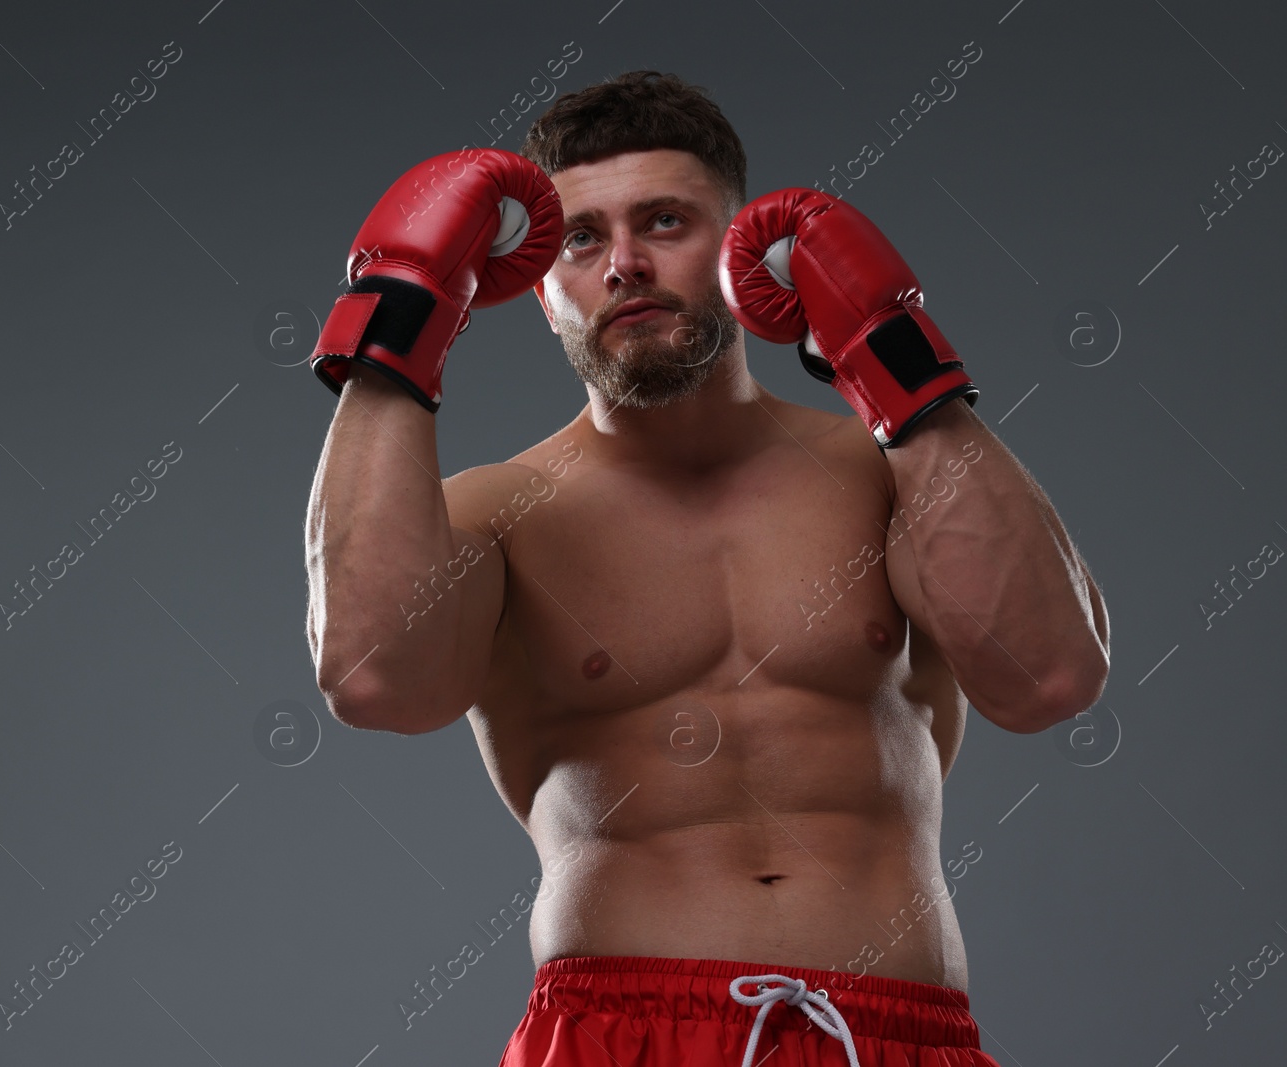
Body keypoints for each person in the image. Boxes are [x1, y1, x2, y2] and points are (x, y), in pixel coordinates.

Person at [305, 70, 1110, 1067]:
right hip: (614, 1034)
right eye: (582, 239)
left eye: (666, 222)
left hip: (893, 1034)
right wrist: (398, 317)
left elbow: (1049, 677)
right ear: (534, 283)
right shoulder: (494, 511)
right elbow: (376, 679)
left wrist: (890, 355)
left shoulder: (886, 470)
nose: (624, 265)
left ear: (746, 253)